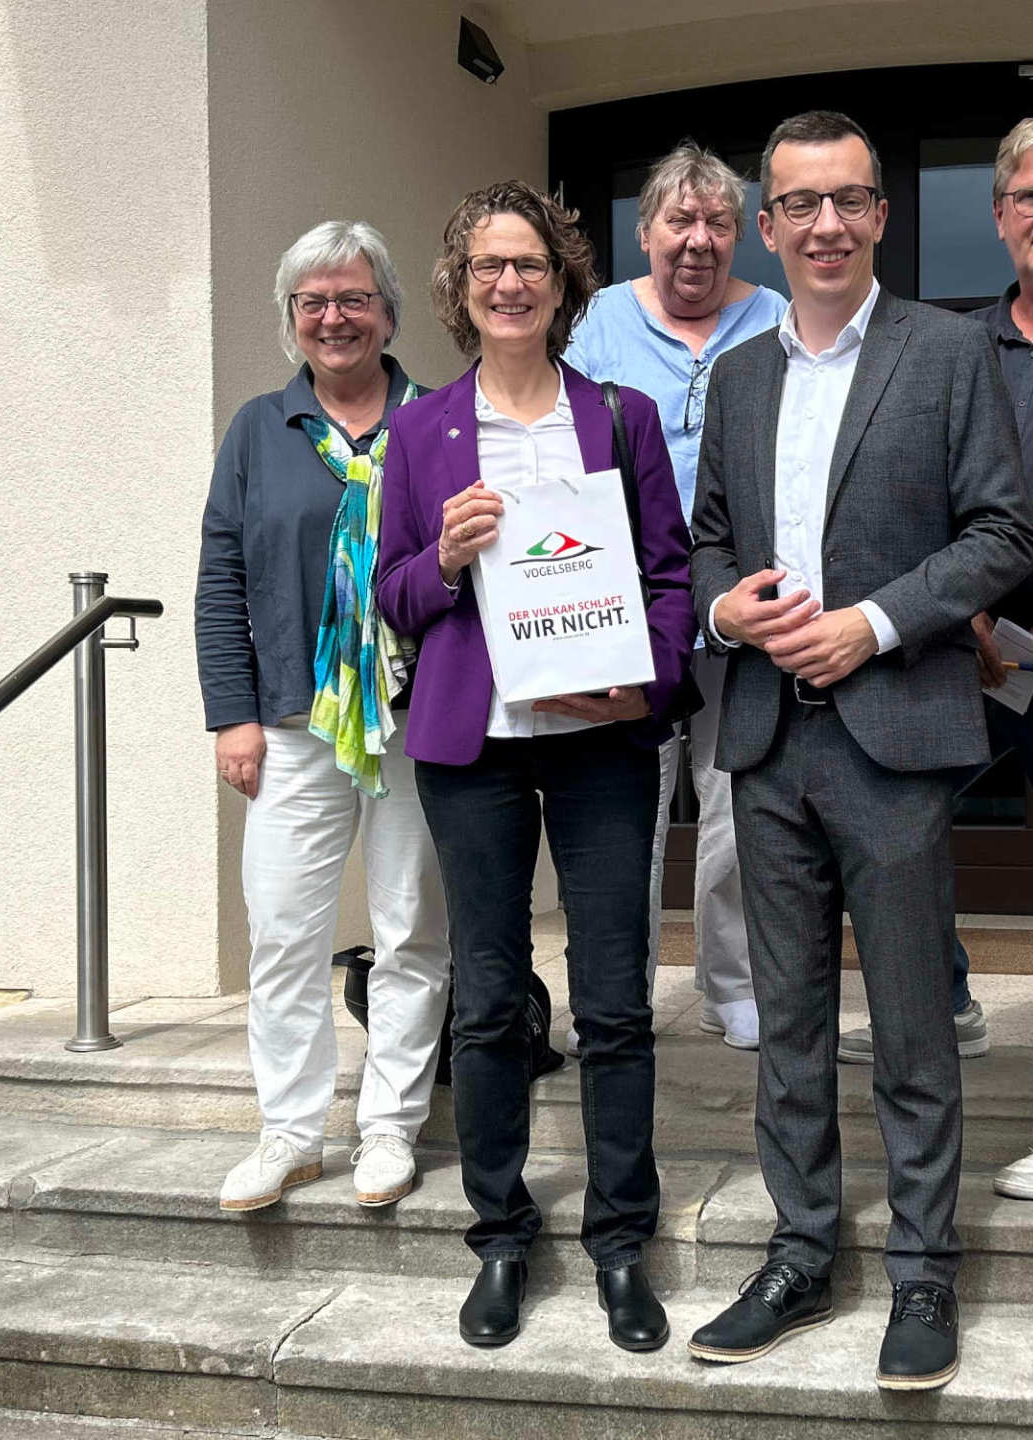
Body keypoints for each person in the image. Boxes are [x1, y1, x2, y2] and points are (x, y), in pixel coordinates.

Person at [685, 111, 1033, 1392]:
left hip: (892, 736)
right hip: (768, 740)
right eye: (799, 205)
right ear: (766, 227)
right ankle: (800, 1253)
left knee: (910, 1026)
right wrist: (730, 610)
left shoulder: (944, 353)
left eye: (848, 200)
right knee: (787, 1022)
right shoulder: (736, 375)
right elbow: (708, 542)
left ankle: (926, 1269)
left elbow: (1004, 536)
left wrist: (873, 624)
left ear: (883, 215)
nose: (824, 224)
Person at [374, 182, 697, 1354]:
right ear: (461, 290)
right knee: (493, 1002)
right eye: (486, 267)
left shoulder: (620, 417)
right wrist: (445, 558)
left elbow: (670, 581)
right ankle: (501, 1236)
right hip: (478, 751)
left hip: (604, 748)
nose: (509, 284)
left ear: (563, 285)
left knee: (615, 1004)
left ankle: (621, 1243)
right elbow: (392, 597)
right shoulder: (420, 432)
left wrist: (649, 683)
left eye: (530, 265)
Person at [836, 108, 1033, 1102]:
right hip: (965, 646)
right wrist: (956, 604)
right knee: (904, 824)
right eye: (1031, 196)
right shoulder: (945, 342)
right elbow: (914, 487)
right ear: (999, 213)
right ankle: (944, 1005)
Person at [195, 220, 450, 1217]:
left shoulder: (436, 421)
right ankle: (293, 1133)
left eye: (352, 298)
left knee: (410, 930)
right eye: (313, 302)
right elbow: (221, 576)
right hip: (294, 727)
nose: (334, 318)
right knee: (285, 935)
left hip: (413, 719)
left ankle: (389, 1130)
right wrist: (234, 715)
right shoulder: (260, 429)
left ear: (386, 311)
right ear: (292, 320)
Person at [566, 141, 786, 1052]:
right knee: (629, 802)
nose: (698, 242)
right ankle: (621, 990)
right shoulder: (600, 320)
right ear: (644, 230)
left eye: (719, 223)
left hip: (740, 593)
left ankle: (732, 986)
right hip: (630, 594)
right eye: (679, 222)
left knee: (734, 796)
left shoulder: (774, 315)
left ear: (742, 233)